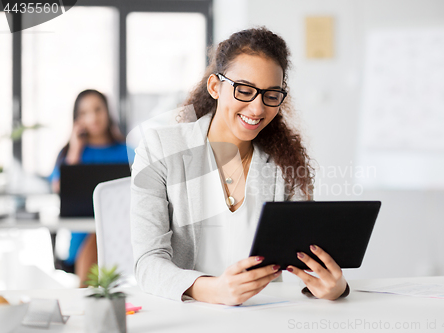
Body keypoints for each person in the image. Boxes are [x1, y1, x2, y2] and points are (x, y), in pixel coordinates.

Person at [130, 27, 349, 305]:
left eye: (271, 95)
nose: (257, 109)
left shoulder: (286, 161)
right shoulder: (160, 148)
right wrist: (212, 290)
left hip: (263, 314)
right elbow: (148, 263)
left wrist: (334, 286)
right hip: (185, 313)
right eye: (244, 90)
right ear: (214, 87)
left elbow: (306, 258)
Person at [50, 89, 134, 287]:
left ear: (107, 112)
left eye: (98, 110)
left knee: (103, 231)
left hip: (122, 235)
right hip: (82, 240)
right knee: (97, 234)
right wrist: (75, 151)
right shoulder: (70, 153)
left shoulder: (127, 151)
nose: (93, 117)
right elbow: (58, 188)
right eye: (85, 113)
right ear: (77, 119)